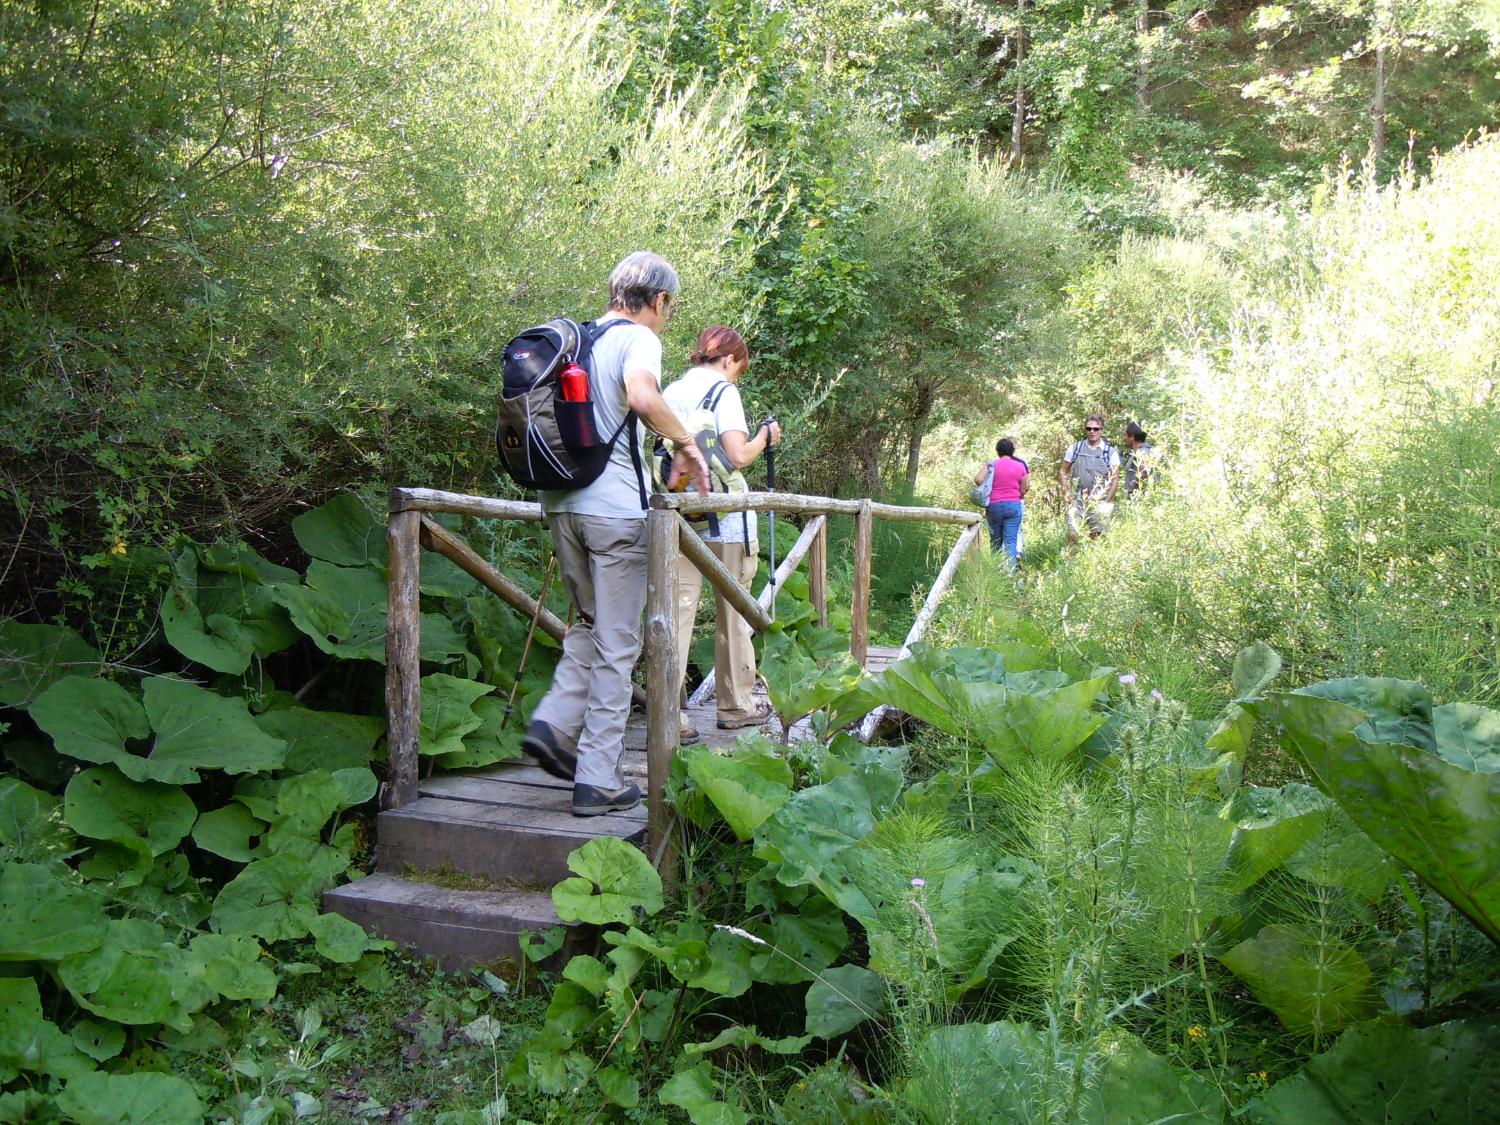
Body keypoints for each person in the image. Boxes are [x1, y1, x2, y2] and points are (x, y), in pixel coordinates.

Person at [521, 252, 710, 817]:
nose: (667, 317)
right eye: (668, 308)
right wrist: (687, 443)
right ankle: (598, 777)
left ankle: (553, 726)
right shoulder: (639, 339)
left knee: (590, 623)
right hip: (615, 514)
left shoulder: (578, 339)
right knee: (619, 643)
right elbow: (643, 397)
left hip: (560, 502)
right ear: (659, 301)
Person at [662, 326, 781, 740]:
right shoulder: (724, 392)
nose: (736, 378)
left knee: (676, 616)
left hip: (678, 518)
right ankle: (736, 706)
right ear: (729, 359)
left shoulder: (670, 390)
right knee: (733, 616)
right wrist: (765, 437)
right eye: (738, 369)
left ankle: (668, 716)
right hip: (728, 521)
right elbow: (737, 455)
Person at [1060, 414, 1120, 549]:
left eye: (1096, 429)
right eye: (1089, 428)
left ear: (1102, 430)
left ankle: (1092, 566)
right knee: (1072, 533)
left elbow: (1115, 479)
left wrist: (1107, 501)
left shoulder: (1110, 453)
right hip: (1077, 499)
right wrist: (1066, 490)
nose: (1092, 431)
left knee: (1096, 537)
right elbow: (1063, 471)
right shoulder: (1074, 448)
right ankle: (1071, 565)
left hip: (1099, 499)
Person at [974, 438, 1028, 567]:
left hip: (994, 506)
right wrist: (1016, 495)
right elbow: (1025, 487)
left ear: (997, 451)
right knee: (1011, 541)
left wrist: (989, 488)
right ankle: (1010, 574)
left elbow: (978, 479)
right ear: (1012, 451)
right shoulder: (1020, 466)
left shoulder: (991, 465)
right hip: (1013, 506)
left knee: (996, 542)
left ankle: (997, 572)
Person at [1121, 421, 1156, 497]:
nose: (1123, 438)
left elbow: (1144, 471)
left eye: (1125, 435)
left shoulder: (1142, 452)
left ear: (1132, 437)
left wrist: (1132, 489)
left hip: (1138, 499)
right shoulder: (1141, 451)